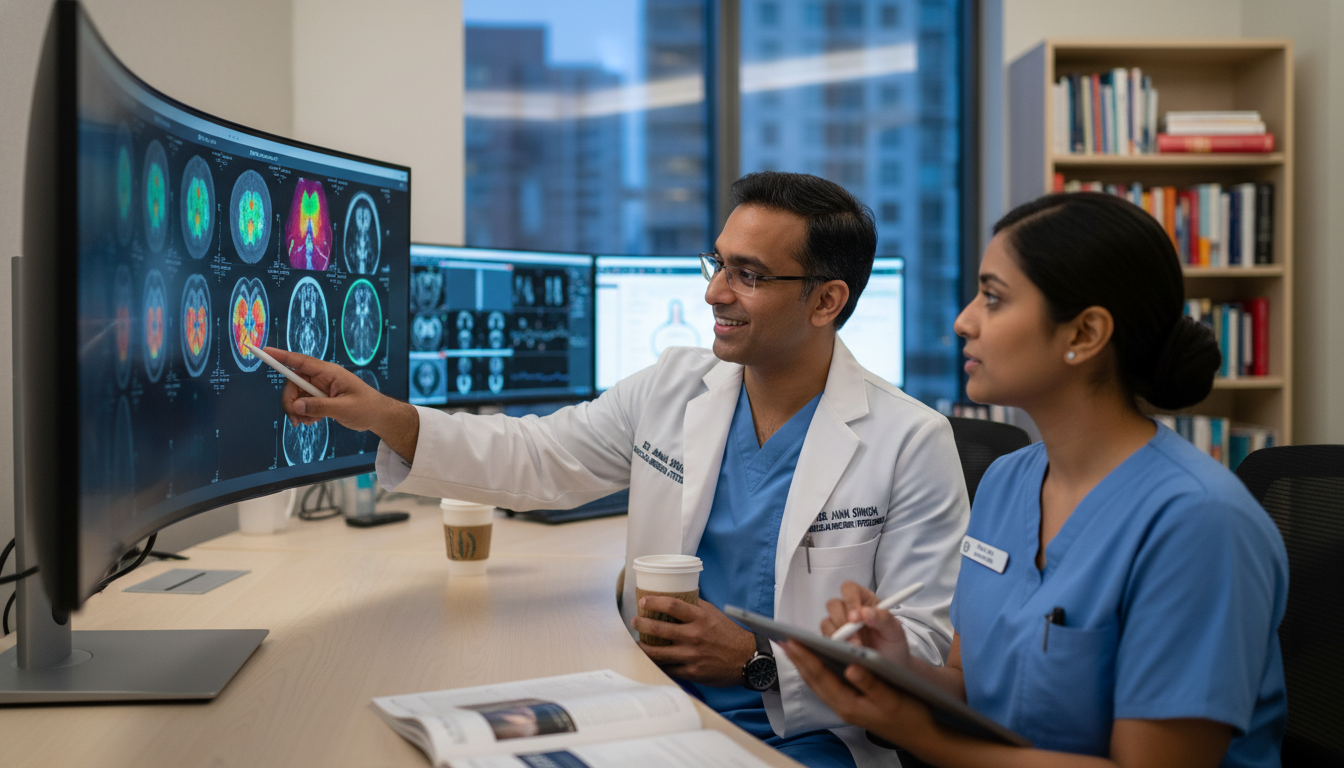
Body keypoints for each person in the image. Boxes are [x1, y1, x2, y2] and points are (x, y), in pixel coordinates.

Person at [271, 171, 970, 768]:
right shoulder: (673, 385)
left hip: (807, 738)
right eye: (718, 263)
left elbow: (924, 652)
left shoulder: (910, 440)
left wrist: (756, 660)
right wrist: (383, 415)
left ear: (826, 301)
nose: (714, 293)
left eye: (748, 275)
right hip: (652, 705)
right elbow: (540, 457)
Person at [783, 191, 1289, 768]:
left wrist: (920, 735)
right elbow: (969, 686)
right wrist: (897, 667)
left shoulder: (1200, 521)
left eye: (994, 298)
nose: (963, 320)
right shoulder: (1007, 481)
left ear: (1084, 334)